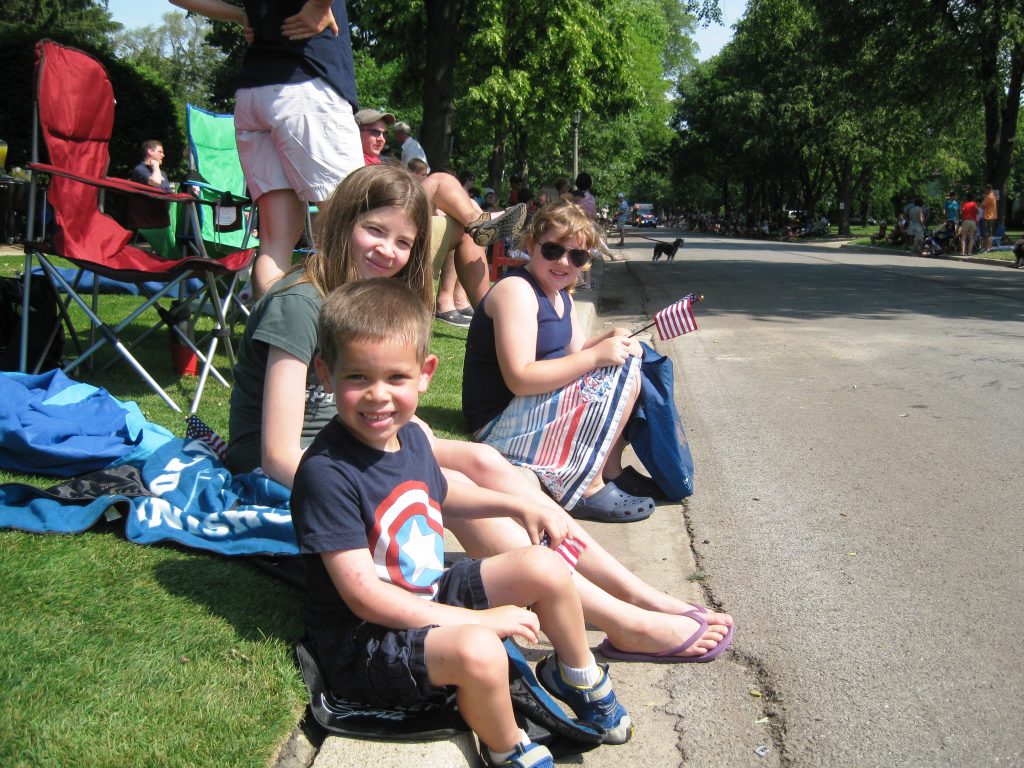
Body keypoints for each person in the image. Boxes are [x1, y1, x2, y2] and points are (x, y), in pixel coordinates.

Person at [228, 164, 733, 664]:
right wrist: (394, 481)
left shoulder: (364, 297)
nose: (388, 251)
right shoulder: (300, 303)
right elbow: (275, 453)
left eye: (404, 243)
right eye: (374, 230)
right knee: (433, 482)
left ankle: (641, 595)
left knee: (492, 465)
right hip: (297, 469)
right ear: (342, 222)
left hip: (358, 444)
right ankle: (626, 624)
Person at [292, 279, 634, 768]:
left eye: (396, 378)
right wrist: (479, 621)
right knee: (481, 649)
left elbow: (444, 492)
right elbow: (364, 596)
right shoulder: (327, 473)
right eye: (357, 378)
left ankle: (577, 676)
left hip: (424, 593)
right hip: (367, 640)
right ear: (325, 374)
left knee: (546, 567)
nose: (378, 397)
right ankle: (507, 746)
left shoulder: (408, 437)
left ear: (425, 374)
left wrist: (518, 506)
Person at [464, 200, 657, 522]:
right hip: (497, 423)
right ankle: (584, 487)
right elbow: (520, 378)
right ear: (530, 245)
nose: (564, 262)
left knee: (625, 365)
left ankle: (608, 467)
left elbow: (577, 349)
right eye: (552, 250)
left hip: (529, 408)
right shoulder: (517, 290)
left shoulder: (559, 294)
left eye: (577, 256)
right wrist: (596, 356)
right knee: (610, 376)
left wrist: (609, 336)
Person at [170, 0, 363, 299]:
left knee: (275, 242)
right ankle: (342, 342)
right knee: (351, 225)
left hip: (253, 95)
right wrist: (318, 5)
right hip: (306, 86)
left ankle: (272, 341)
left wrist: (240, 14)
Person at [356, 109, 527, 308]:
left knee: (468, 227)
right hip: (384, 224)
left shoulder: (381, 163)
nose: (381, 139)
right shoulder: (350, 161)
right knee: (440, 180)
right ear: (354, 132)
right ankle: (485, 312)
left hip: (400, 223)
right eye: (374, 132)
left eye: (384, 134)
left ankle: (481, 310)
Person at [980, 184, 998, 252]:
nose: (984, 191)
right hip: (992, 216)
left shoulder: (988, 197)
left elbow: (982, 205)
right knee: (989, 233)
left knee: (986, 233)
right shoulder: (992, 195)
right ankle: (989, 247)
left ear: (988, 189)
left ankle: (986, 248)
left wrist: (983, 199)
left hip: (988, 216)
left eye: (985, 189)